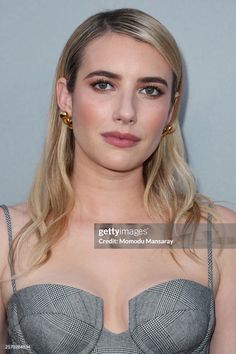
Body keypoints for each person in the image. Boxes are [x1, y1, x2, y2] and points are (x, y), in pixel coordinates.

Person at [0, 7, 235, 354]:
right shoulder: (8, 236)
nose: (126, 112)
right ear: (66, 96)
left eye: (150, 90)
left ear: (171, 109)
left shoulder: (217, 234)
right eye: (104, 85)